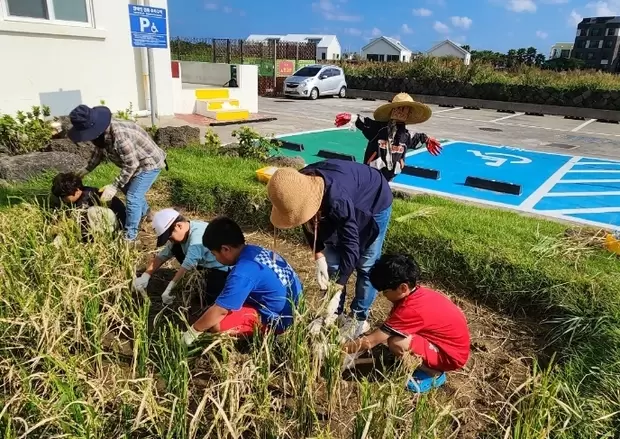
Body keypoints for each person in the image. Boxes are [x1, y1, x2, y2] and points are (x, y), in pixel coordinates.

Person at [266, 159, 393, 340]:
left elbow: (352, 246)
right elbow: (306, 222)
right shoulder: (296, 185)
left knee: (366, 265)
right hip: (347, 196)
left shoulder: (337, 199)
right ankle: (334, 313)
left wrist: (338, 285)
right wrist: (318, 255)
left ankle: (358, 318)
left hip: (373, 200)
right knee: (332, 262)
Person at [341, 254, 470, 394]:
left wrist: (339, 349)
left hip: (450, 356)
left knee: (396, 341)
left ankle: (434, 374)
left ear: (403, 287)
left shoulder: (410, 310)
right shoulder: (418, 292)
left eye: (385, 291)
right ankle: (424, 359)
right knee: (395, 335)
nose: (383, 295)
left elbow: (369, 342)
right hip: (446, 344)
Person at [181, 216, 303, 346]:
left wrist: (193, 332)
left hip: (280, 321)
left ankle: (262, 337)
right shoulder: (255, 251)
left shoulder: (242, 272)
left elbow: (221, 310)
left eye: (214, 254)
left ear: (225, 249)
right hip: (296, 308)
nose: (215, 258)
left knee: (216, 324)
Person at [68, 104, 167, 242]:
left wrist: (114, 185)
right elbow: (99, 152)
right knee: (127, 188)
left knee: (133, 197)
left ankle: (129, 237)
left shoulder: (120, 136)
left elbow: (132, 164)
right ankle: (147, 214)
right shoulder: (101, 135)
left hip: (148, 163)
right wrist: (87, 169)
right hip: (134, 163)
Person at [133, 208, 231, 306]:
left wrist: (169, 289)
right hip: (203, 264)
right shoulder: (182, 235)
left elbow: (188, 264)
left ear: (179, 226)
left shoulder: (198, 236)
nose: (170, 241)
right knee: (175, 248)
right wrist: (145, 276)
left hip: (221, 268)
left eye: (170, 237)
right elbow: (161, 256)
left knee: (210, 300)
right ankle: (200, 280)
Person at [335, 93, 442, 182]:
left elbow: (418, 137)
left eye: (406, 109)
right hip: (370, 177)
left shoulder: (406, 135)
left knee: (383, 203)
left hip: (388, 179)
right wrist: (351, 118)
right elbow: (364, 122)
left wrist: (427, 139)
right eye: (399, 108)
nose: (402, 111)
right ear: (392, 110)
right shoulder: (378, 129)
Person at [51, 172, 126, 243]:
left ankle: (99, 240)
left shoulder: (86, 199)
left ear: (77, 191)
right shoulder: (81, 193)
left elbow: (81, 223)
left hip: (116, 223)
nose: (62, 199)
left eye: (64, 196)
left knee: (91, 212)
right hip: (107, 221)